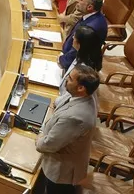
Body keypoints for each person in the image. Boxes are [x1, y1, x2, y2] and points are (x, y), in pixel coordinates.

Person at [35, 65, 99, 194]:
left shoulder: (75, 117)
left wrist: (38, 138)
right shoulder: (84, 95)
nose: (65, 80)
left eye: (70, 79)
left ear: (81, 88)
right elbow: (60, 101)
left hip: (61, 173)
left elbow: (49, 145)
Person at [56, 25, 104, 108]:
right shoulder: (86, 54)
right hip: (65, 92)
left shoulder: (83, 69)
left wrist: (57, 102)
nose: (73, 37)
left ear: (79, 44)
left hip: (66, 100)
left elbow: (72, 92)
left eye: (74, 37)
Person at [59, 0, 108, 69]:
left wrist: (61, 61)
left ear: (89, 7)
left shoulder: (90, 29)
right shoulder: (91, 15)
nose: (77, 0)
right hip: (66, 54)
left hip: (75, 66)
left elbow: (77, 51)